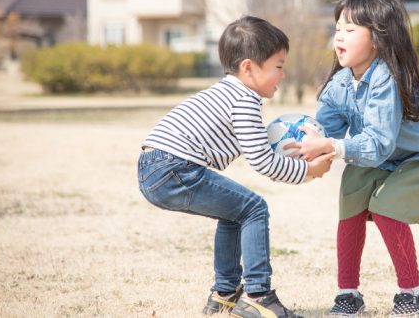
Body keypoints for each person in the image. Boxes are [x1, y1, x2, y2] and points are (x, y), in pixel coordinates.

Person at [137, 16, 335, 318]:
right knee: (254, 207)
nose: (283, 75)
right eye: (278, 66)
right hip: (173, 167)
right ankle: (258, 294)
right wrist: (310, 171)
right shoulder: (244, 98)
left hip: (155, 167)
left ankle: (226, 293)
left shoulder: (226, 91)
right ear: (248, 68)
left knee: (234, 213)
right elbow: (263, 162)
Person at [287, 0, 419, 317]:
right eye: (337, 28)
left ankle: (413, 292)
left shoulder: (386, 79)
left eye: (350, 29)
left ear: (378, 41)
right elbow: (325, 133)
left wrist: (331, 147)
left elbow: (378, 143)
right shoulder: (339, 84)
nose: (339, 36)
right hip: (383, 154)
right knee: (351, 201)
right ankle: (348, 294)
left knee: (387, 207)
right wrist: (302, 150)